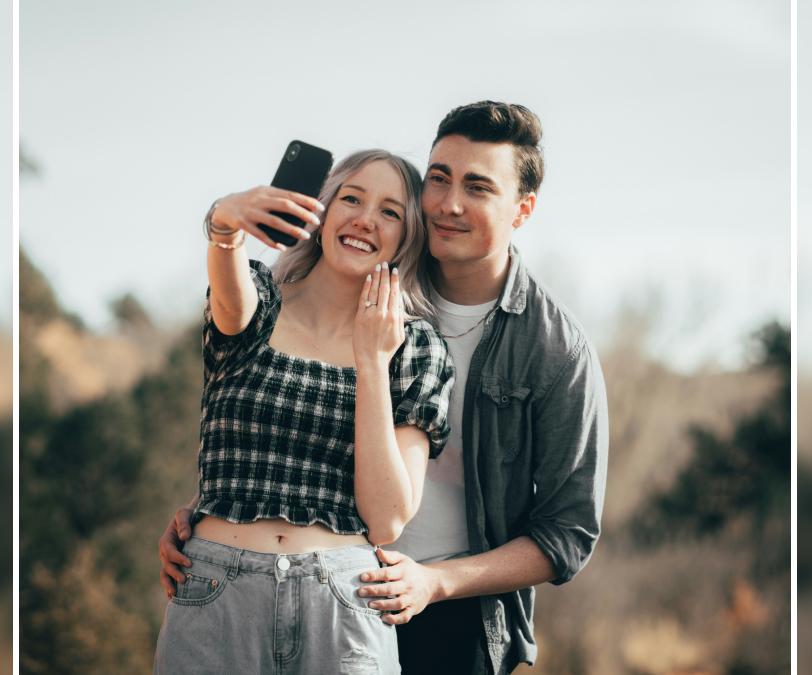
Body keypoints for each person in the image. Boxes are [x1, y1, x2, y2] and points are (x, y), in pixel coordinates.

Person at [160, 102, 609, 675]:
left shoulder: (549, 349)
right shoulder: (308, 295)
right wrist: (210, 519)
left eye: (477, 187)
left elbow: (567, 534)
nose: (449, 202)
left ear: (522, 210)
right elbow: (265, 404)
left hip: (447, 608)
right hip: (313, 581)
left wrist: (437, 581)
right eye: (439, 178)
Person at [153, 149, 455, 675]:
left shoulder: (415, 347)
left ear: (408, 238)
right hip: (215, 592)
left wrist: (373, 361)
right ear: (321, 211)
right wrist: (225, 223)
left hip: (343, 603)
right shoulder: (259, 299)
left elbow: (385, 519)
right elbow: (230, 301)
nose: (365, 218)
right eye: (352, 199)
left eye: (390, 211)